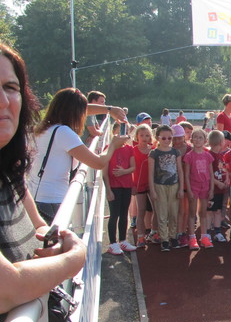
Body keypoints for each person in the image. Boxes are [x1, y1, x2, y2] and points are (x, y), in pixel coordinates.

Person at [0, 42, 86, 315]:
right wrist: (75, 256)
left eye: (10, 87)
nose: (3, 101)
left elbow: (40, 228)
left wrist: (54, 245)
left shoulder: (9, 173)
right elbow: (8, 288)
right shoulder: (65, 132)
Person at [29, 87, 129, 224]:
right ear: (75, 113)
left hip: (38, 198)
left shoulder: (44, 128)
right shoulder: (64, 132)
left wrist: (109, 110)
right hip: (52, 203)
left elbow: (82, 109)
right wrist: (112, 145)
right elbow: (98, 163)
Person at [103, 123, 137, 254]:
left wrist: (124, 171)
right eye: (120, 131)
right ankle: (112, 243)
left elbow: (133, 167)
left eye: (126, 131)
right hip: (114, 186)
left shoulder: (129, 148)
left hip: (126, 186)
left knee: (124, 214)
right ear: (114, 132)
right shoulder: (108, 148)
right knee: (114, 214)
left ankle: (123, 240)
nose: (123, 134)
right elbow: (104, 172)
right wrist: (108, 190)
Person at [148, 125, 184, 252]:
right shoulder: (154, 153)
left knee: (173, 213)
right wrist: (152, 190)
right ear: (158, 138)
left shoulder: (175, 152)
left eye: (169, 138)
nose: (167, 140)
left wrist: (181, 188)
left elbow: (180, 170)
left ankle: (173, 236)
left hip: (174, 185)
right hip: (159, 186)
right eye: (163, 138)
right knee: (162, 213)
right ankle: (164, 239)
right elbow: (151, 173)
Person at [183, 129, 215, 250]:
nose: (197, 140)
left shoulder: (208, 156)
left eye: (200, 137)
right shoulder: (189, 156)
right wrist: (189, 190)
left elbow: (211, 174)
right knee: (192, 212)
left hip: (205, 186)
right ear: (191, 140)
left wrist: (211, 189)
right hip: (194, 186)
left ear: (205, 140)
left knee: (203, 212)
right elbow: (186, 175)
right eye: (195, 137)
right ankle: (192, 238)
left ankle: (204, 237)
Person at [132, 124, 156, 246]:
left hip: (152, 184)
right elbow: (130, 169)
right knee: (141, 210)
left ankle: (154, 233)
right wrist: (132, 185)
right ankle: (140, 237)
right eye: (141, 135)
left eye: (147, 135)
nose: (144, 138)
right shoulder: (133, 150)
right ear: (137, 136)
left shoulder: (153, 150)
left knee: (156, 209)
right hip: (139, 184)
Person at [206, 130, 229, 242]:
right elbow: (208, 174)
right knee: (210, 211)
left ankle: (217, 231)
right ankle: (207, 233)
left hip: (220, 190)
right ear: (221, 142)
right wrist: (218, 183)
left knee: (218, 211)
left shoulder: (221, 156)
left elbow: (224, 169)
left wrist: (227, 179)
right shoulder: (209, 155)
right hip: (212, 189)